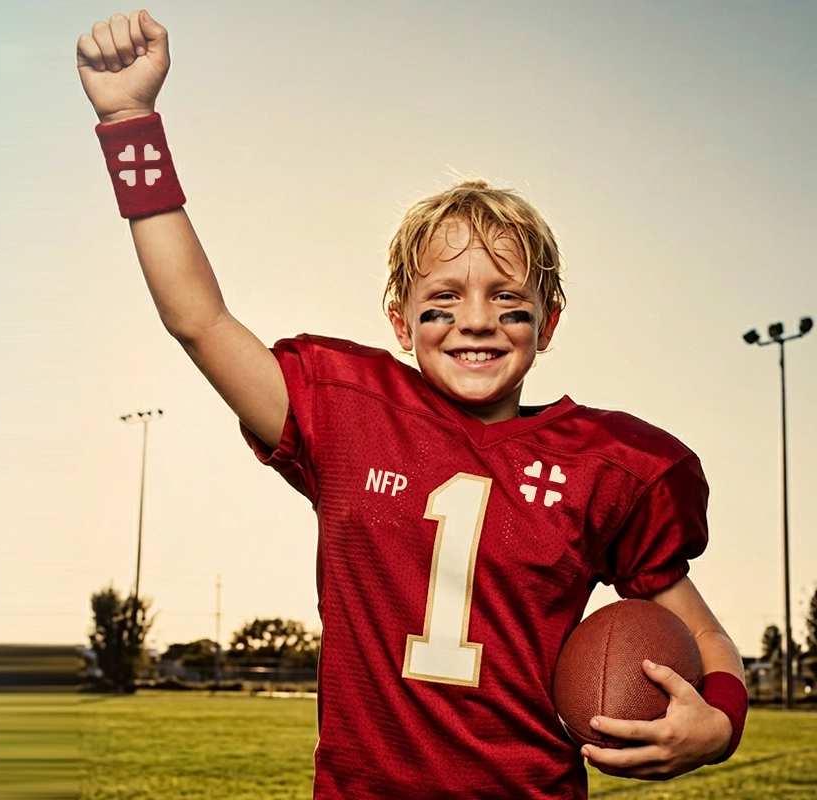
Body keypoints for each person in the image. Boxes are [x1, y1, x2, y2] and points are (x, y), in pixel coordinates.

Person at [73, 10, 749, 798]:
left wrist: (720, 722)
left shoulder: (606, 468)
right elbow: (198, 318)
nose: (475, 320)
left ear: (549, 322)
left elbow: (705, 634)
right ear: (400, 320)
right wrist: (129, 125)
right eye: (444, 297)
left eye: (508, 298)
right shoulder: (344, 413)